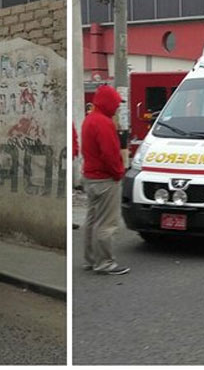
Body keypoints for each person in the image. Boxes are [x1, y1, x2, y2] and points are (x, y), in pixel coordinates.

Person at [81, 84, 129, 275]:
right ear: (108, 103)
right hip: (105, 179)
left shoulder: (90, 120)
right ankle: (105, 263)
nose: (118, 107)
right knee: (107, 223)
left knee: (92, 221)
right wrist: (118, 172)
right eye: (116, 104)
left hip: (90, 177)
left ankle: (91, 259)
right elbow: (109, 154)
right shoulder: (104, 123)